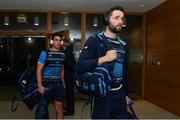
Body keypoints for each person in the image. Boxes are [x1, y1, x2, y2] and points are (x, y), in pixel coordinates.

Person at [75, 6, 131, 119]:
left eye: (122, 18)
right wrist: (104, 58)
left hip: (119, 94)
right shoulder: (94, 40)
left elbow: (125, 73)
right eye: (116, 18)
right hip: (102, 95)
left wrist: (125, 94)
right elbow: (80, 66)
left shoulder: (124, 45)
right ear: (107, 20)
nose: (120, 21)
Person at [36, 33, 65, 119]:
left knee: (59, 108)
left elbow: (62, 69)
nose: (58, 42)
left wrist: (63, 82)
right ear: (52, 41)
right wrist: (39, 84)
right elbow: (39, 69)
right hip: (46, 84)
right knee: (43, 110)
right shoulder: (45, 53)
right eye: (56, 40)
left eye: (60, 40)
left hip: (58, 84)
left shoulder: (63, 54)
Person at [63, 41, 76, 116]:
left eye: (63, 44)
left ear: (66, 46)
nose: (62, 46)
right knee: (68, 95)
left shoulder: (68, 54)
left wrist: (64, 64)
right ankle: (68, 108)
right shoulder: (69, 53)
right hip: (69, 77)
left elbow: (72, 66)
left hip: (69, 78)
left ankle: (71, 111)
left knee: (70, 95)